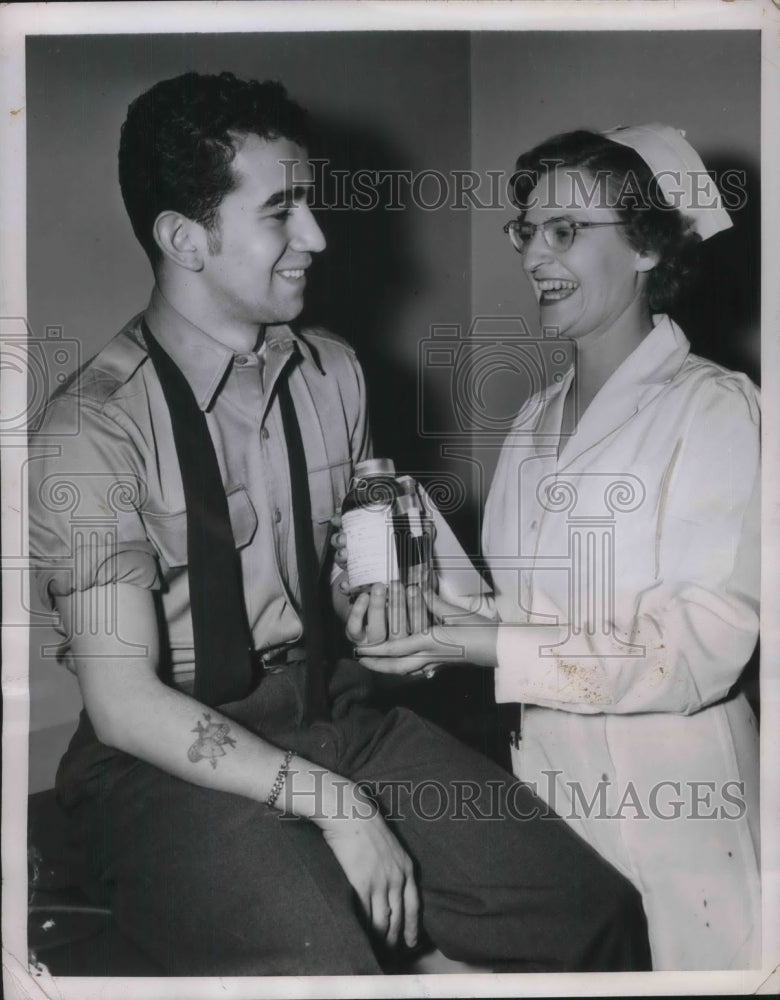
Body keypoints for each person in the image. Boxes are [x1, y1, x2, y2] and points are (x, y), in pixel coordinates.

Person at [27, 73, 652, 977]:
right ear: (183, 238)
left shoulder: (336, 375)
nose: (316, 237)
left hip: (333, 710)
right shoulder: (88, 429)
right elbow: (124, 706)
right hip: (162, 758)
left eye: (310, 203)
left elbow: (348, 573)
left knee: (587, 912)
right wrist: (338, 804)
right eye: (281, 212)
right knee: (329, 965)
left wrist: (380, 604)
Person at [349, 125, 761, 971]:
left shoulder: (719, 411)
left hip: (680, 813)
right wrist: (430, 611)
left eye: (567, 230)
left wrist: (483, 640)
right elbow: (525, 612)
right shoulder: (536, 421)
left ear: (646, 245)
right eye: (527, 230)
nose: (535, 253)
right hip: (553, 801)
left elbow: (697, 650)